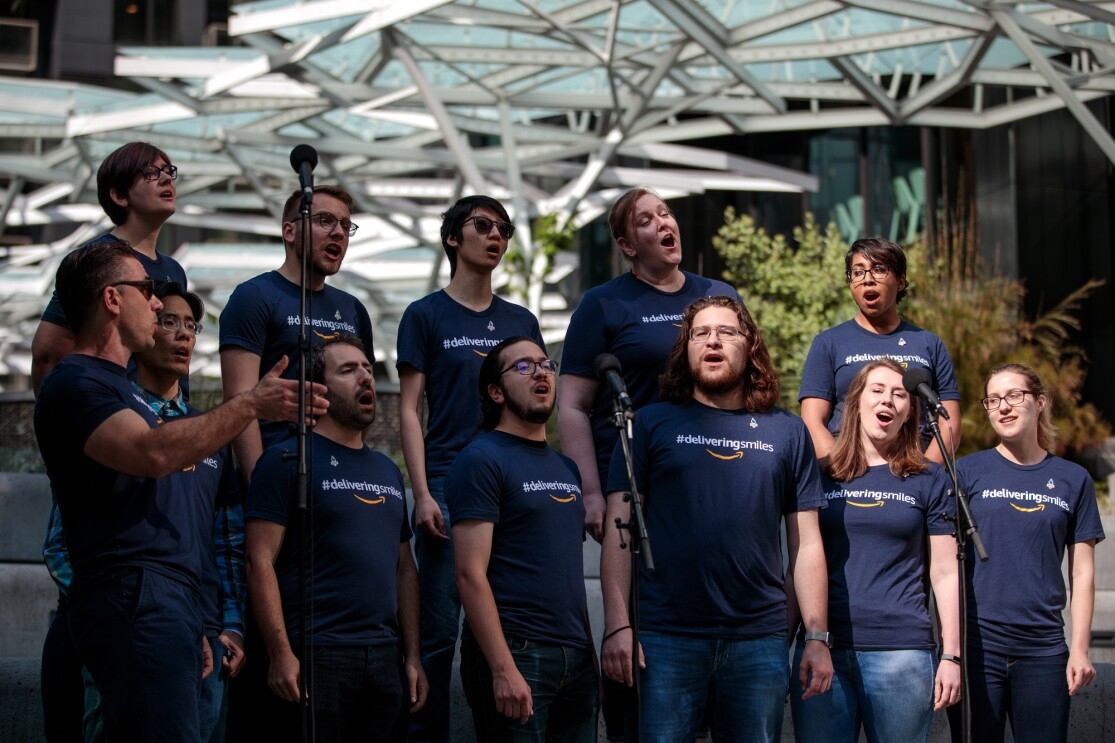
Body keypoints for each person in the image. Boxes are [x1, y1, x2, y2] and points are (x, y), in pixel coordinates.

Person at [34, 241, 326, 742]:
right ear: (110, 299)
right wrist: (249, 404)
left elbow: (214, 534)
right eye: (146, 291)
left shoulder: (129, 396)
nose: (157, 303)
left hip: (176, 604)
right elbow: (152, 454)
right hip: (131, 591)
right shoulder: (78, 382)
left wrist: (204, 623)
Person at [600, 295, 832, 742]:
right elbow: (618, 531)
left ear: (750, 347)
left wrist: (817, 636)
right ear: (685, 350)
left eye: (726, 332)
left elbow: (807, 544)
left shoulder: (787, 431)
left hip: (759, 643)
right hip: (665, 639)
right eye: (700, 333)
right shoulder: (648, 424)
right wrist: (617, 625)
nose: (713, 341)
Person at [396, 195, 544, 743]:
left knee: (501, 631)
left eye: (503, 228)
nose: (496, 235)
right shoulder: (425, 315)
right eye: (482, 225)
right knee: (436, 633)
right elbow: (410, 409)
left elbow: (534, 403)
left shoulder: (521, 320)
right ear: (453, 239)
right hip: (448, 486)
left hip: (512, 489)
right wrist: (423, 493)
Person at [245, 335, 426, 742]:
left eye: (367, 368)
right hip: (315, 656)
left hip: (385, 659)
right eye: (348, 370)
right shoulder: (285, 460)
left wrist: (412, 656)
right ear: (317, 391)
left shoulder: (386, 470)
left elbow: (405, 569)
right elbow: (258, 561)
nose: (365, 377)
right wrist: (279, 653)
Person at [790, 359, 961, 743]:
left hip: (901, 654)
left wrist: (952, 655)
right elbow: (798, 559)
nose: (889, 400)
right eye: (878, 390)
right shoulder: (817, 473)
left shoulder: (929, 479)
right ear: (856, 403)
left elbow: (946, 572)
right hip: (824, 649)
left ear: (909, 414)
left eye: (900, 394)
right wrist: (784, 643)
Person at [558, 186, 740, 543]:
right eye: (646, 220)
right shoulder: (603, 303)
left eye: (665, 213)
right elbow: (572, 406)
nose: (662, 223)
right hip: (632, 479)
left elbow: (743, 384)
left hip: (712, 471)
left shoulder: (719, 296)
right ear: (628, 246)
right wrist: (591, 494)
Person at [448, 336, 598, 742]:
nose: (542, 373)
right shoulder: (481, 459)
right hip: (517, 652)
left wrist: (588, 657)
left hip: (577, 657)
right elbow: (468, 575)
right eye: (524, 367)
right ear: (495, 391)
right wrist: (502, 668)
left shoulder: (567, 468)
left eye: (546, 365)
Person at [948, 363, 1104, 743]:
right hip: (977, 649)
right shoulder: (966, 472)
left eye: (1014, 395)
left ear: (1040, 402)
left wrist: (1080, 649)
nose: (1003, 406)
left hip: (1044, 652)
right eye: (993, 400)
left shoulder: (1073, 479)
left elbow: (1082, 573)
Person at [220, 184, 374, 482]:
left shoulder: (353, 308)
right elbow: (239, 399)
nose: (339, 233)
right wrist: (259, 485)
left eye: (345, 225)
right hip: (278, 470)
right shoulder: (255, 296)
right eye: (325, 220)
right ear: (289, 232)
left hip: (337, 478)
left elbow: (364, 395)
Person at [31, 141, 187, 394]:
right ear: (119, 195)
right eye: (150, 172)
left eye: (169, 171)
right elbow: (47, 351)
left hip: (169, 419)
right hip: (118, 415)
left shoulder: (174, 269)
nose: (166, 179)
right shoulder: (95, 260)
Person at [799, 236, 960, 465]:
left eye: (879, 269)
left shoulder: (928, 343)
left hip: (914, 476)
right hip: (847, 477)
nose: (867, 279)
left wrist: (925, 477)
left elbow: (949, 423)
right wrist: (843, 471)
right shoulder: (829, 342)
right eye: (858, 272)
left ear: (901, 280)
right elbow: (812, 420)